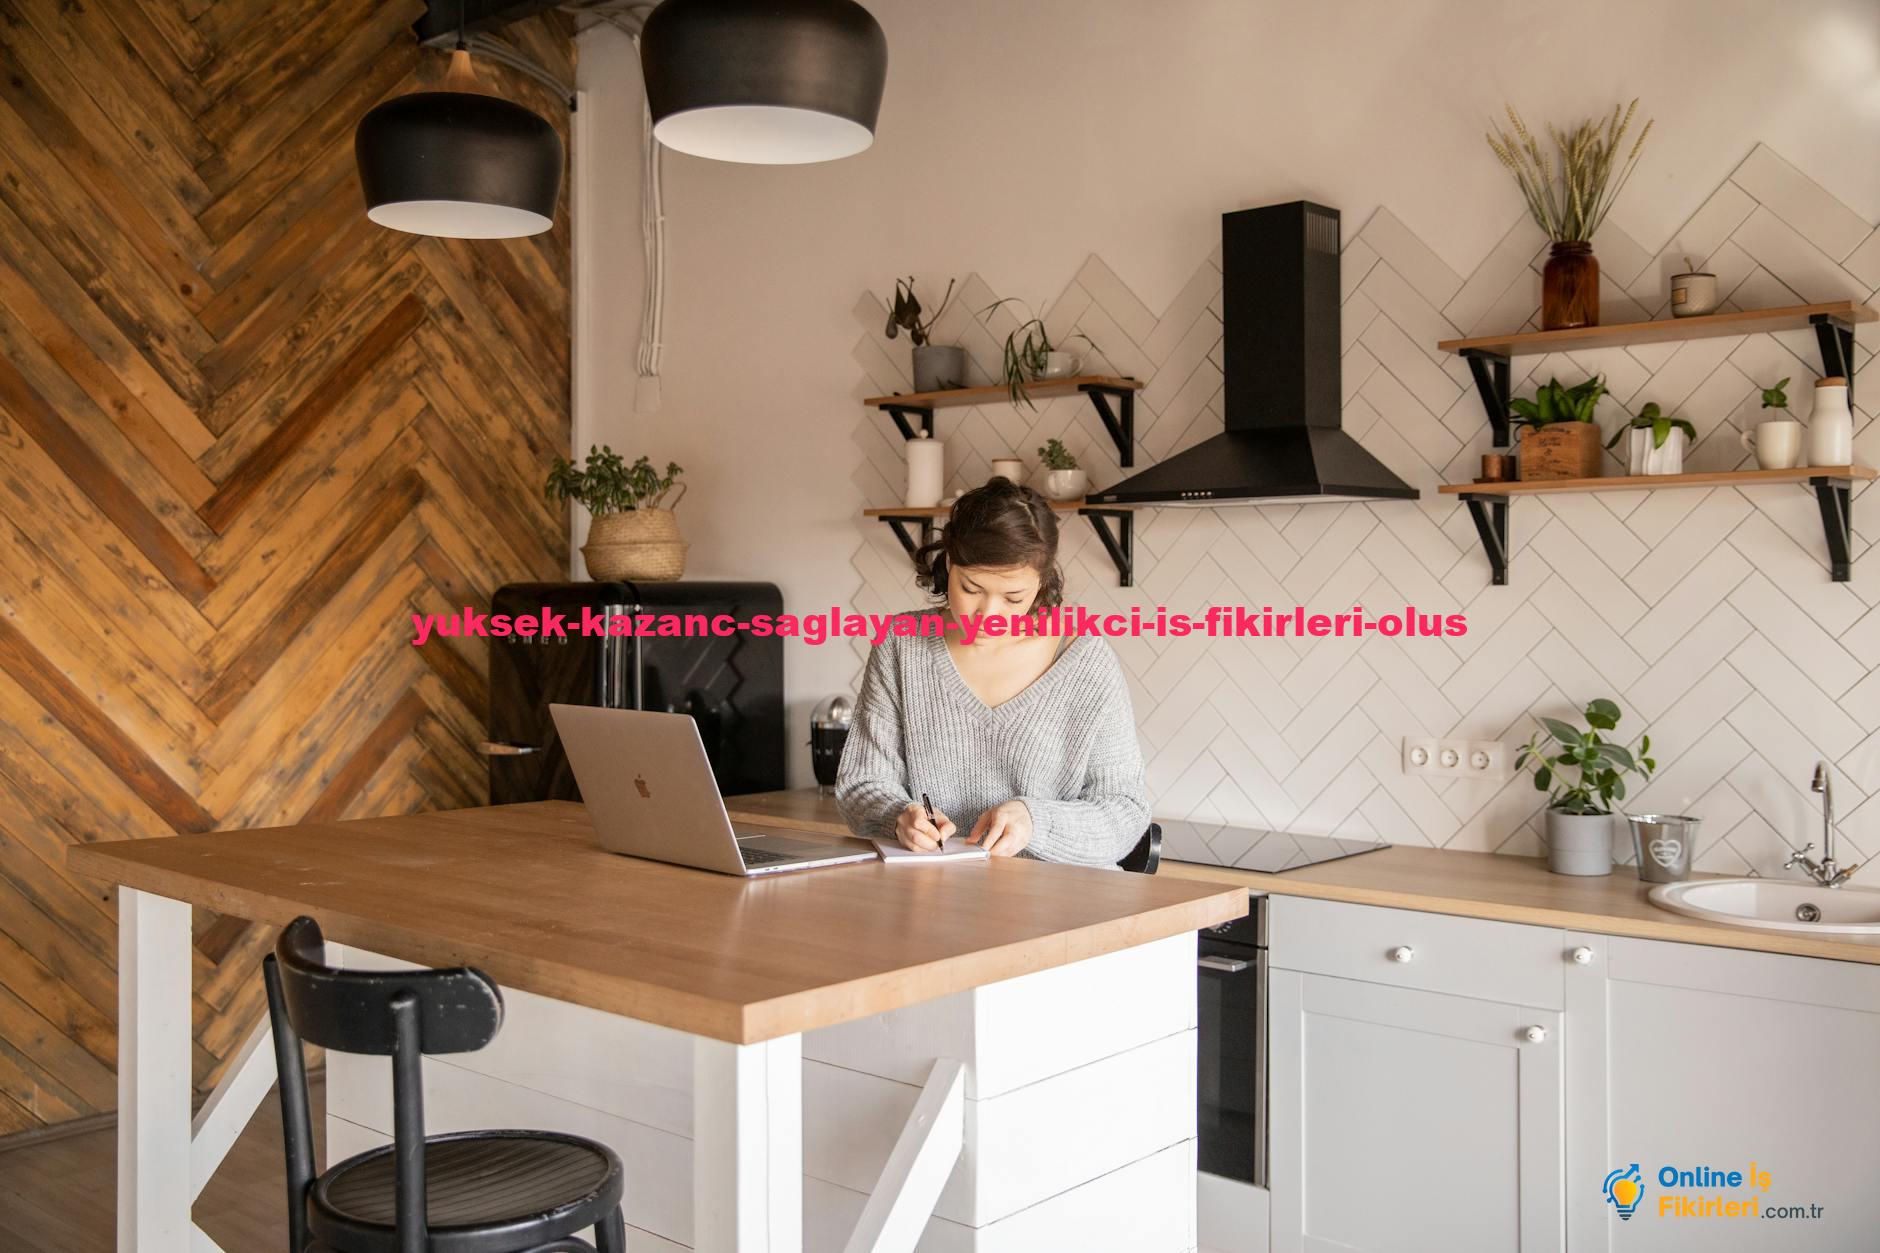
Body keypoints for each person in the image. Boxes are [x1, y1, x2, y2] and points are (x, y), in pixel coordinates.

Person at [836, 477, 1150, 865]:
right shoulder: (903, 645)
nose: (989, 616)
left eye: (1013, 597)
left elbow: (1125, 811)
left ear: (1041, 582)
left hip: (1061, 902)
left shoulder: (1085, 661)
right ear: (950, 563)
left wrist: (1037, 820)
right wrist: (898, 816)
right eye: (971, 589)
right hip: (933, 898)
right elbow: (861, 785)